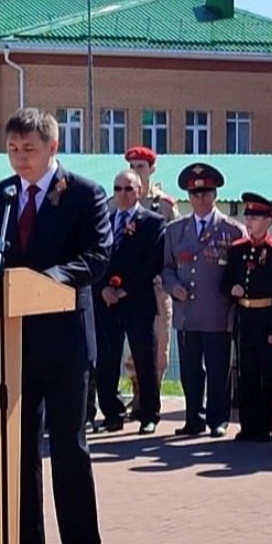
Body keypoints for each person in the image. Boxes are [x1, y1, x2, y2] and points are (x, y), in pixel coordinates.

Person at [0, 107, 108, 544]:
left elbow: (97, 256)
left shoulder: (84, 194)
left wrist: (49, 279)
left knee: (68, 451)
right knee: (18, 454)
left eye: (30, 150)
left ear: (53, 148)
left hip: (65, 343)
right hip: (11, 344)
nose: (20, 159)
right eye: (13, 149)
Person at [162, 163, 246, 438]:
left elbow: (242, 270)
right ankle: (193, 418)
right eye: (195, 194)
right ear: (188, 196)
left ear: (215, 195)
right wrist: (173, 286)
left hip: (218, 312)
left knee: (218, 369)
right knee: (189, 371)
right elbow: (167, 268)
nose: (201, 198)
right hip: (187, 314)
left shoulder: (232, 230)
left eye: (206, 193)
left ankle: (218, 419)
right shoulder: (175, 231)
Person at [94, 169, 166, 434]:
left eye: (128, 188)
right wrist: (103, 289)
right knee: (107, 360)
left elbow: (152, 263)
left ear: (140, 191)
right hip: (106, 303)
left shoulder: (153, 222)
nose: (122, 194)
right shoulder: (104, 220)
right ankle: (111, 414)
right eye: (117, 188)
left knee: (144, 359)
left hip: (137, 301)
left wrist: (124, 290)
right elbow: (96, 258)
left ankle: (149, 414)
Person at [223, 192, 272, 442]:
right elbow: (226, 282)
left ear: (269, 221)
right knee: (246, 373)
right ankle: (248, 424)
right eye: (248, 216)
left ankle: (266, 426)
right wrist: (232, 290)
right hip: (245, 317)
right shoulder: (237, 250)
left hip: (266, 318)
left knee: (268, 375)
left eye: (256, 217)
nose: (249, 221)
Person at [122, 146, 179, 418]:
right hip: (128, 288)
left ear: (152, 170)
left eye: (141, 167)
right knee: (132, 350)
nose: (136, 171)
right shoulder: (119, 200)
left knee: (159, 347)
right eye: (132, 166)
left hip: (156, 287)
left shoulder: (163, 205)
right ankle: (137, 398)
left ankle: (151, 400)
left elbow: (175, 245)